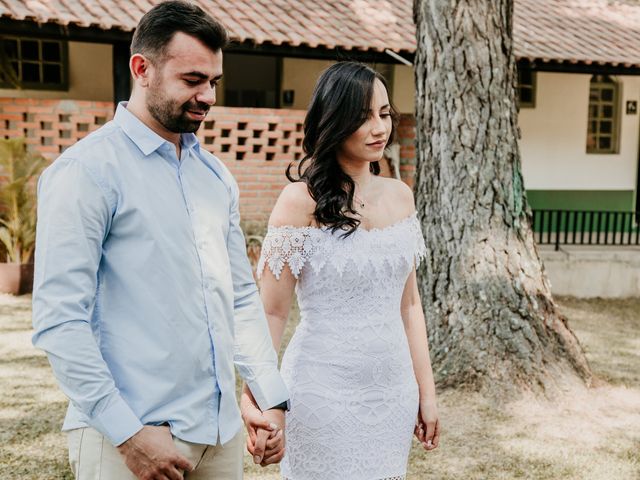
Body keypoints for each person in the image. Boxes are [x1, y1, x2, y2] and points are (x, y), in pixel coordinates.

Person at [31, 2, 288, 479]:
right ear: (141, 68)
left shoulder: (216, 176)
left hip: (221, 435)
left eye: (214, 81)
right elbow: (59, 320)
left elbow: (240, 298)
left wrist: (267, 397)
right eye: (192, 80)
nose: (208, 95)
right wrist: (128, 433)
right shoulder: (86, 173)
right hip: (129, 439)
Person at [255, 62, 441, 480]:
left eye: (384, 113)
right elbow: (271, 313)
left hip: (393, 391)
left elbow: (410, 305)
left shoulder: (401, 196)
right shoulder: (296, 202)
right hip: (321, 391)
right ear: (334, 120)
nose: (379, 128)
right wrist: (265, 400)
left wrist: (425, 393)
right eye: (363, 117)